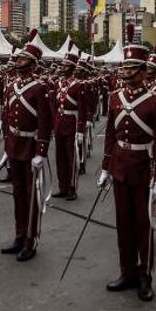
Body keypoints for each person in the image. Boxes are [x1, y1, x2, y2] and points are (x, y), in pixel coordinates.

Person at [96, 23, 156, 301]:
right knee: (123, 223)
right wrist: (105, 167)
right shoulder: (115, 97)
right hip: (120, 165)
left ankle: (145, 276)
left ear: (142, 71)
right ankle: (127, 271)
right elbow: (111, 135)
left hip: (143, 166)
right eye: (124, 68)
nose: (126, 73)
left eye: (131, 69)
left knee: (143, 224)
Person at [0, 28, 52, 262]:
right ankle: (19, 236)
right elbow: (7, 117)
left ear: (31, 63)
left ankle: (31, 240)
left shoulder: (40, 88)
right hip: (14, 146)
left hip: (30, 148)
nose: (17, 61)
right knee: (18, 195)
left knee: (31, 197)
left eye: (21, 59)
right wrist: (6, 146)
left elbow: (44, 121)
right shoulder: (11, 86)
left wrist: (41, 151)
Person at [51, 47, 86, 201]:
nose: (62, 68)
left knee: (71, 158)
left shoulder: (78, 85)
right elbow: (55, 106)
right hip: (60, 123)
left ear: (72, 68)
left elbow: (82, 109)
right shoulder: (59, 84)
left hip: (71, 123)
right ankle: (62, 186)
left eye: (65, 66)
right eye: (62, 65)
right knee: (60, 157)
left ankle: (72, 188)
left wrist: (80, 129)